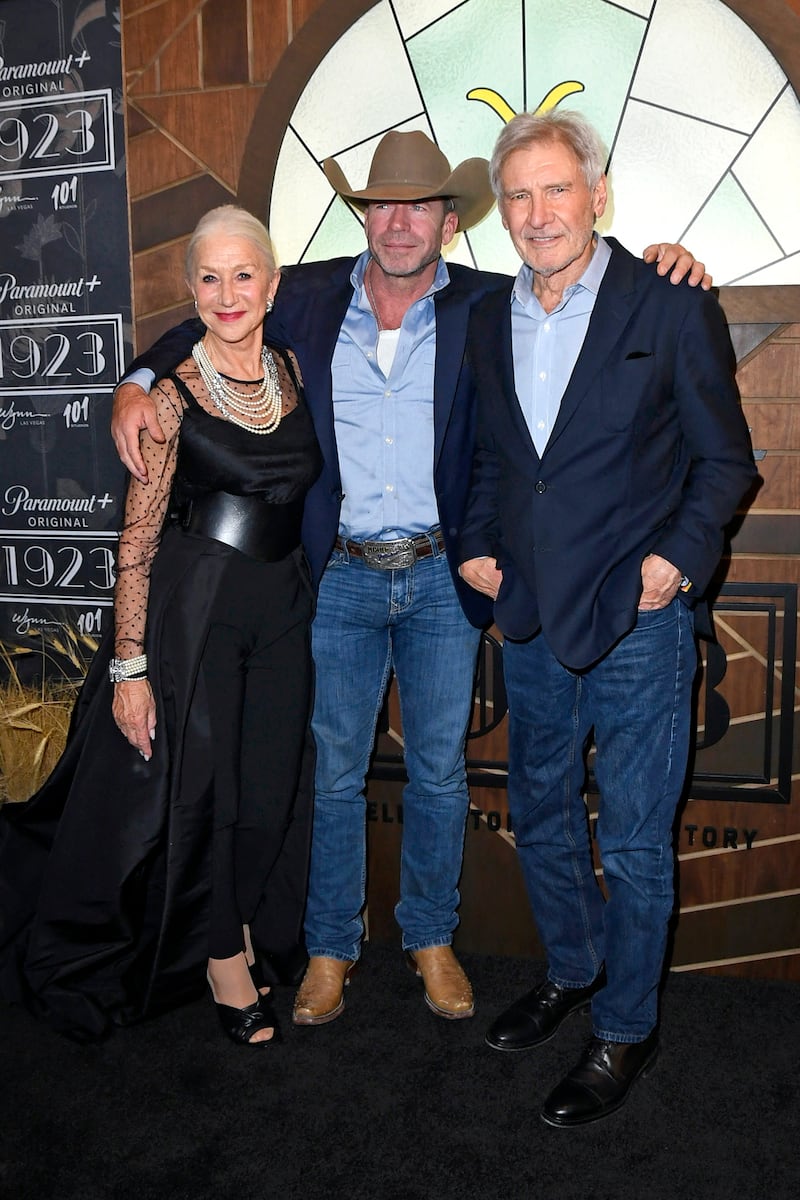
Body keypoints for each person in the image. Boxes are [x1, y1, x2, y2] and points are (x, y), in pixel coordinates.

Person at [111, 130, 709, 1028]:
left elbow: (603, 300)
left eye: (419, 203)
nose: (398, 221)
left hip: (441, 578)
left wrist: (673, 261)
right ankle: (328, 949)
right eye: (381, 204)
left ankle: (431, 939)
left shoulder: (489, 302)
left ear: (450, 219)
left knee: (437, 774)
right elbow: (210, 311)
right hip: (339, 579)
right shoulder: (306, 293)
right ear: (364, 215)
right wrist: (139, 374)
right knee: (335, 773)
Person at [459, 111, 757, 1124]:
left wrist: (671, 566)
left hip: (637, 626)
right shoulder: (485, 317)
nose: (536, 213)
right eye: (517, 195)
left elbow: (724, 463)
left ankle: (624, 1029)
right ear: (499, 212)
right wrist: (472, 552)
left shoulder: (666, 303)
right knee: (538, 814)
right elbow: (491, 458)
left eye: (554, 189)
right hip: (534, 619)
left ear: (595, 195)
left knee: (631, 844)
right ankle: (573, 968)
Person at [0, 206, 322, 1045]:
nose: (227, 294)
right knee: (207, 796)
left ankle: (244, 923)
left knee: (269, 788)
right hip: (199, 613)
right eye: (209, 278)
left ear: (272, 283)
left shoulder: (287, 365)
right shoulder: (169, 398)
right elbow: (136, 543)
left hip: (285, 609)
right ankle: (222, 958)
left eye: (243, 274)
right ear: (190, 290)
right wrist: (130, 668)